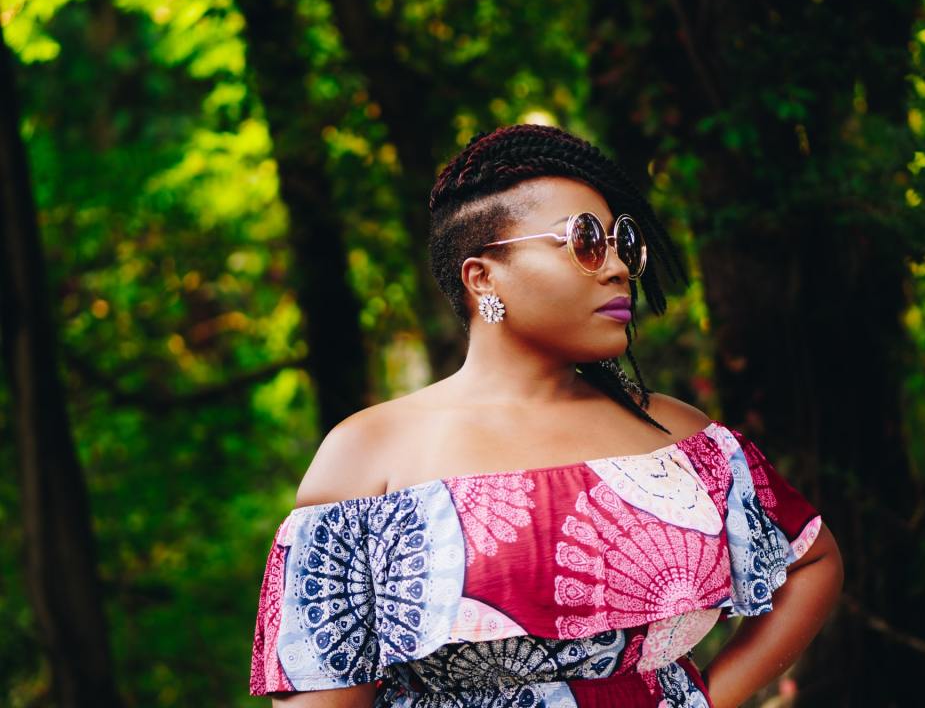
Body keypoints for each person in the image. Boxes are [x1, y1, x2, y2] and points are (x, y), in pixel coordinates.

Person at [249, 124, 844, 707]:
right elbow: (321, 684)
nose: (616, 269)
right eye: (584, 242)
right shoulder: (368, 454)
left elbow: (811, 560)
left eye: (623, 244)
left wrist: (710, 698)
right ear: (483, 276)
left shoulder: (679, 438)